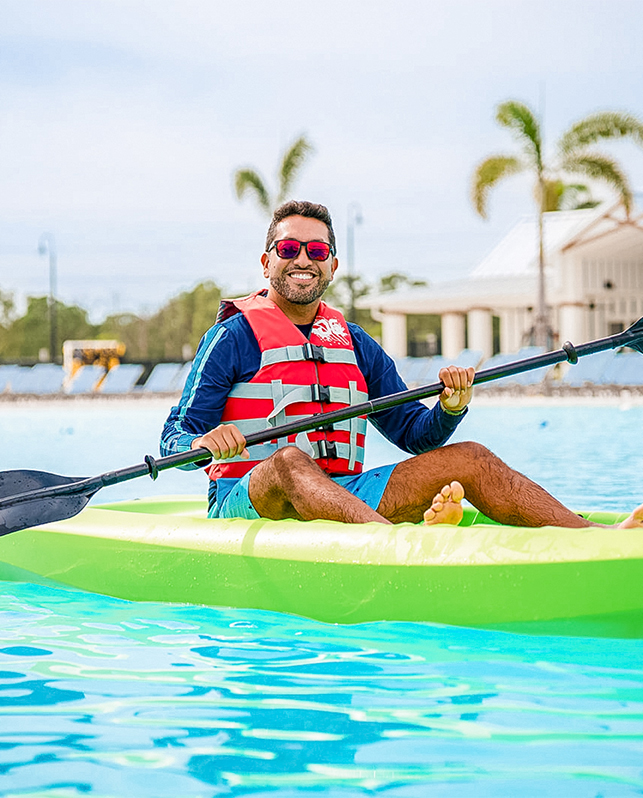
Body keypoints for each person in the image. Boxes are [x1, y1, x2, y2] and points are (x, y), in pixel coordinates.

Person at [161, 200, 643, 530]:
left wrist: (450, 409)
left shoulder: (353, 342)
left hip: (344, 493)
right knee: (287, 462)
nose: (302, 259)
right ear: (267, 262)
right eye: (288, 249)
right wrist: (202, 442)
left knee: (470, 456)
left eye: (317, 250)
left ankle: (595, 536)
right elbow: (174, 437)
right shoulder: (231, 336)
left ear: (332, 265)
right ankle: (397, 544)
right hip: (250, 502)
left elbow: (413, 435)